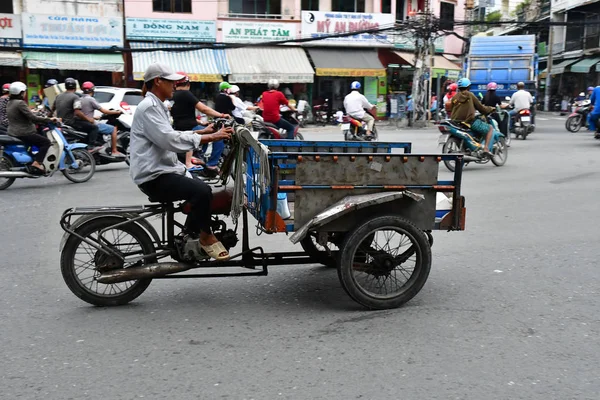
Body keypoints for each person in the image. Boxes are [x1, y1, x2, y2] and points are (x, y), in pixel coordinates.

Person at [130, 62, 233, 261]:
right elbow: (169, 140)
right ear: (158, 82)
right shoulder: (149, 107)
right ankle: (205, 237)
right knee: (202, 191)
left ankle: (189, 235)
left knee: (203, 187)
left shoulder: (157, 106)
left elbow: (169, 133)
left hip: (163, 170)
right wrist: (212, 137)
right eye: (171, 82)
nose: (175, 86)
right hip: (154, 175)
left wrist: (202, 132)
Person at [170, 73, 229, 170]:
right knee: (219, 137)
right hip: (191, 128)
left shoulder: (172, 95)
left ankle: (199, 157)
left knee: (206, 135)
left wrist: (202, 123)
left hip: (179, 128)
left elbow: (183, 115)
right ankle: (212, 164)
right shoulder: (186, 93)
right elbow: (204, 109)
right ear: (188, 84)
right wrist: (222, 115)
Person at [6, 82, 59, 174]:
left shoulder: (10, 102)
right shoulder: (20, 103)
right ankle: (37, 163)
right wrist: (49, 120)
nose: (25, 93)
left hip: (13, 131)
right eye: (24, 91)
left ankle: (32, 161)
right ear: (21, 92)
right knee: (46, 142)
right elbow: (32, 118)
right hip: (23, 132)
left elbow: (24, 114)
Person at [448, 78, 495, 156]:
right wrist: (490, 109)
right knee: (489, 128)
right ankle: (486, 148)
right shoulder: (470, 95)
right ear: (469, 87)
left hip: (456, 122)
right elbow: (481, 108)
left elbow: (452, 109)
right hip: (469, 121)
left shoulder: (455, 97)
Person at [79, 81, 126, 159]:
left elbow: (82, 114)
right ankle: (114, 151)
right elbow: (104, 111)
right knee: (113, 129)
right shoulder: (90, 99)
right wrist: (117, 111)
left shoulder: (79, 99)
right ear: (92, 90)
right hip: (91, 123)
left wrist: (94, 117)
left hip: (83, 123)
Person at [54, 78, 100, 147]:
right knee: (94, 127)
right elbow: (77, 112)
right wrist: (89, 119)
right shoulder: (75, 97)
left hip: (60, 122)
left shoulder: (58, 96)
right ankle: (91, 147)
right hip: (71, 123)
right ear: (75, 87)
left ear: (65, 87)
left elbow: (52, 109)